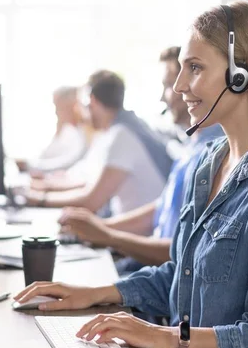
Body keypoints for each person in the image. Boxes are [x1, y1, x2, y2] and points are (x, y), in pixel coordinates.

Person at [13, 2, 248, 348]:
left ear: (242, 74)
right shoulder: (209, 165)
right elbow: (181, 277)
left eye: (195, 68)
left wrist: (167, 337)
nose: (178, 85)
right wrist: (93, 293)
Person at [58, 47, 223, 272]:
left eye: (167, 85)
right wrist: (101, 229)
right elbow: (161, 209)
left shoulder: (214, 154)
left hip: (161, 277)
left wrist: (107, 235)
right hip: (150, 266)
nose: (166, 95)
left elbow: (182, 252)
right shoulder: (192, 147)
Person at [23, 70, 173, 216]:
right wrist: (46, 188)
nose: (81, 112)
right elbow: (88, 183)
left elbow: (92, 200)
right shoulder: (121, 129)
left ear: (92, 101)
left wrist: (40, 198)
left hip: (137, 233)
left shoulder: (122, 136)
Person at [16, 86, 90, 174]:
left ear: (72, 105)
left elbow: (67, 163)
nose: (56, 112)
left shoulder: (81, 133)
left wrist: (29, 166)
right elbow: (46, 156)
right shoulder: (66, 130)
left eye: (58, 106)